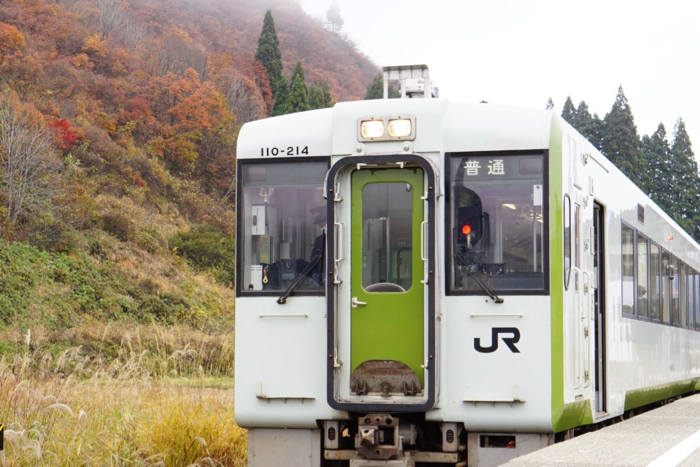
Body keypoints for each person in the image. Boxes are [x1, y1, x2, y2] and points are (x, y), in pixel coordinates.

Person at [308, 206, 326, 285]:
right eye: (319, 223)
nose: (320, 226)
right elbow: (314, 261)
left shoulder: (341, 237)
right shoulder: (319, 240)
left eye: (322, 222)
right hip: (321, 278)